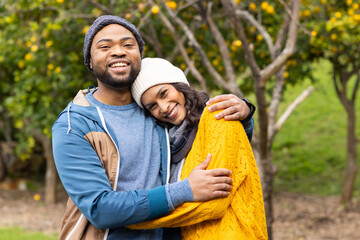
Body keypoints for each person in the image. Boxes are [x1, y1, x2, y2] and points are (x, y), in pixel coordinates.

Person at [52, 15, 255, 240]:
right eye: (105, 46)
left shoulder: (154, 110)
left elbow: (205, 142)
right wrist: (184, 191)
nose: (118, 51)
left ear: (139, 56)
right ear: (90, 61)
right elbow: (100, 209)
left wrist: (242, 114)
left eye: (128, 45)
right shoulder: (74, 125)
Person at [127, 57, 267, 239]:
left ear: (179, 85)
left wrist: (134, 219)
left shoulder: (218, 116)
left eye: (163, 93)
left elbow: (214, 203)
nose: (163, 107)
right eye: (152, 105)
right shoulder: (166, 143)